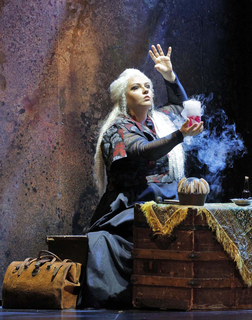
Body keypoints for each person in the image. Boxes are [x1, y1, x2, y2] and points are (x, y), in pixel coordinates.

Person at [80, 44, 203, 308]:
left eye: (148, 85)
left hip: (162, 199)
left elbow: (186, 108)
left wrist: (170, 76)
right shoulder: (118, 128)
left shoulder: (158, 120)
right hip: (129, 205)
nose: (145, 89)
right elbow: (139, 151)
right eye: (136, 87)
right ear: (123, 98)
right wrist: (180, 135)